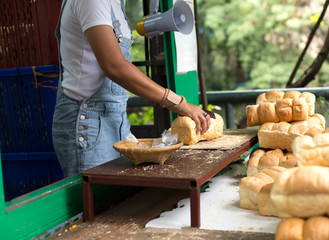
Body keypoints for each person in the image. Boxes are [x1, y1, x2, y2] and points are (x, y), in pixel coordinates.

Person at [52, 0, 211, 177]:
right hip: (87, 123)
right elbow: (114, 66)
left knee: (117, 199)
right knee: (99, 201)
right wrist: (179, 103)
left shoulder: (117, 4)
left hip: (114, 121)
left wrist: (152, 92)